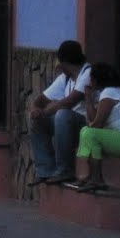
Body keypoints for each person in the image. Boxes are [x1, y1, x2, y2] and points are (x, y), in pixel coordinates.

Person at [69, 62, 120, 193]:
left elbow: (97, 124)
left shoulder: (110, 92)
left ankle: (97, 179)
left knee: (89, 133)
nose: (89, 81)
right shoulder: (112, 91)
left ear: (96, 80)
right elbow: (93, 119)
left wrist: (90, 124)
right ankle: (92, 176)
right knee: (86, 131)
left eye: (91, 78)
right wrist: (88, 98)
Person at [28, 39, 91, 185]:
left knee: (62, 114)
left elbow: (70, 101)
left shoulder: (88, 73)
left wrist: (47, 110)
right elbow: (40, 99)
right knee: (38, 121)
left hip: (86, 126)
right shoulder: (65, 78)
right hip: (66, 126)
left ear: (64, 63)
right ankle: (45, 170)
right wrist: (35, 110)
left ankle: (65, 170)